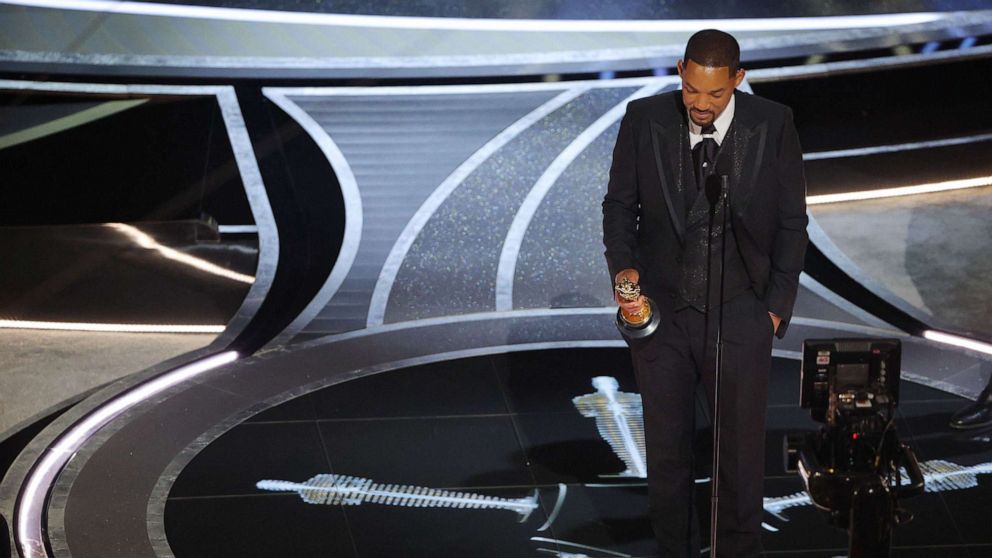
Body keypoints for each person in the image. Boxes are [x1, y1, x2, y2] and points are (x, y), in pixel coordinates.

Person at [602, 29, 808, 557]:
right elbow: (620, 207)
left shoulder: (773, 124)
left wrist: (774, 310)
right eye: (692, 89)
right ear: (680, 71)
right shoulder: (645, 120)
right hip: (664, 314)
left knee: (739, 456)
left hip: (741, 312)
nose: (701, 103)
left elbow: (791, 222)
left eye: (715, 94)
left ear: (737, 80)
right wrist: (625, 276)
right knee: (668, 456)